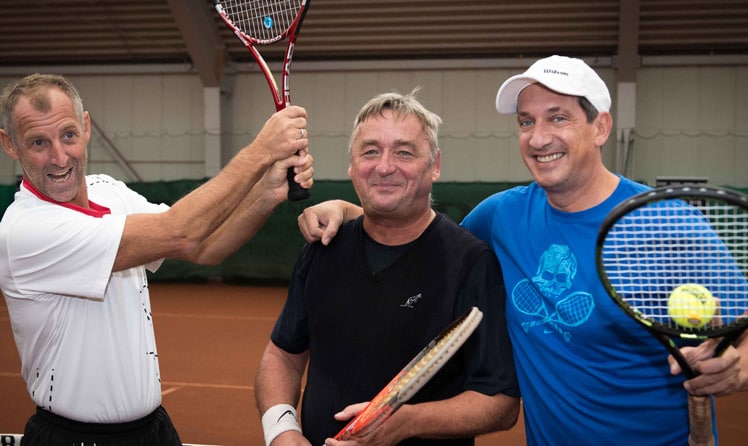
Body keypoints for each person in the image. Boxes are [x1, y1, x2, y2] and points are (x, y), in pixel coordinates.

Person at [296, 55, 748, 445]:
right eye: (526, 121)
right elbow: (423, 233)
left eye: (558, 117)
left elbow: (742, 333)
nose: (538, 137)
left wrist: (738, 365)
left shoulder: (667, 224)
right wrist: (348, 208)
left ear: (600, 127)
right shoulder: (503, 217)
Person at [0, 73, 314, 445]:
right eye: (38, 142)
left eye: (68, 135)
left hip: (153, 430)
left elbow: (204, 247)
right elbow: (182, 232)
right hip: (73, 437)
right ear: (11, 145)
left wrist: (267, 192)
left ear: (86, 127)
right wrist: (262, 151)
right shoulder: (27, 230)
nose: (59, 156)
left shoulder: (109, 190)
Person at [255, 90, 520, 446]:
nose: (383, 166)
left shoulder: (471, 263)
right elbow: (283, 355)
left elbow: (500, 403)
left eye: (404, 152)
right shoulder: (322, 250)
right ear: (351, 165)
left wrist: (405, 423)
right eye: (370, 151)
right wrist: (281, 431)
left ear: (435, 165)